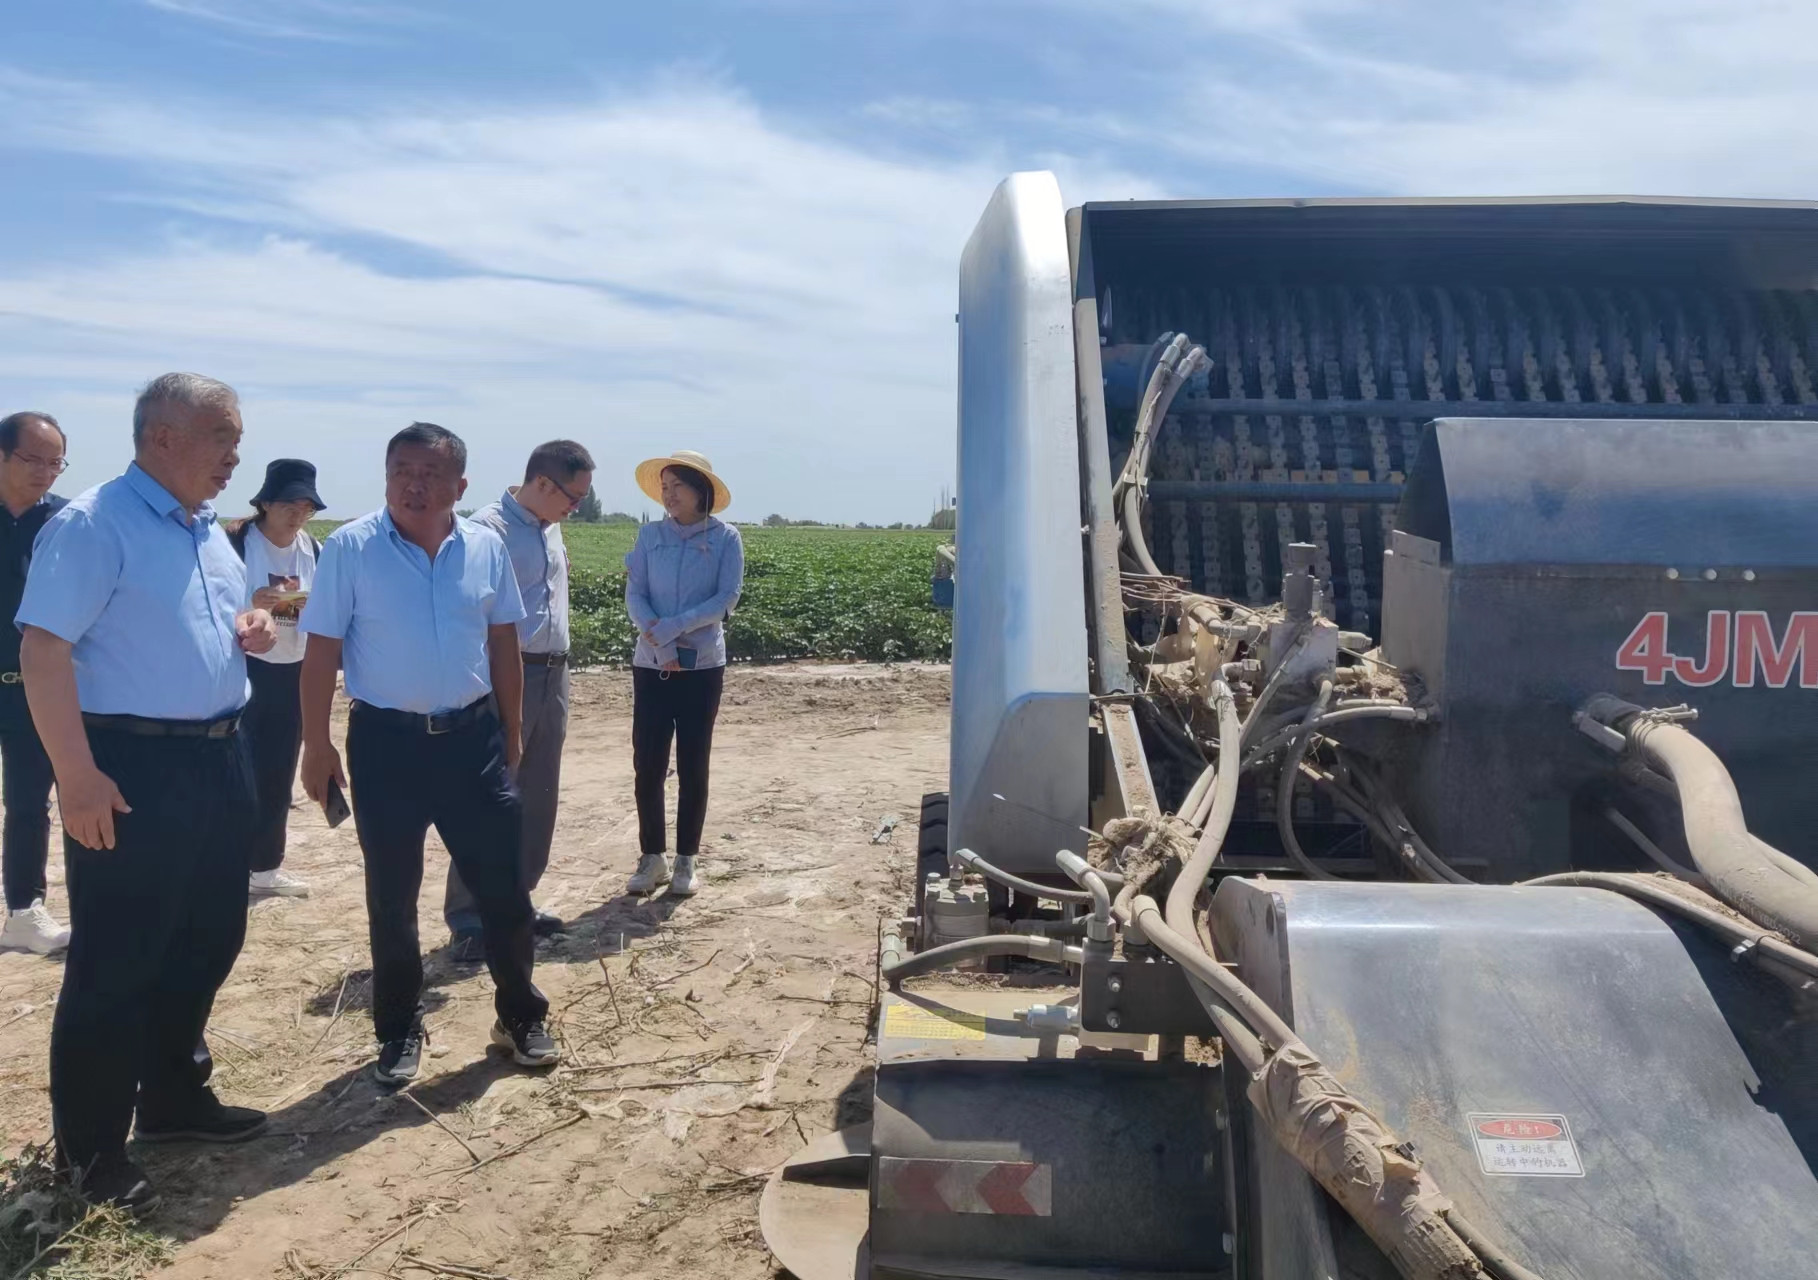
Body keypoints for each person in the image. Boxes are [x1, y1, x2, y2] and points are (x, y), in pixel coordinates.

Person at [18, 373, 278, 1214]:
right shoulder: (96, 524)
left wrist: (249, 626)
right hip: (131, 767)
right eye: (221, 436)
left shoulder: (204, 529)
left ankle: (171, 1099)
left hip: (220, 758)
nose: (235, 455)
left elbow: (198, 627)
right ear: (164, 436)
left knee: (209, 937)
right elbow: (43, 651)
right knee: (117, 959)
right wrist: (76, 775)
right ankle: (89, 1152)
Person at [298, 422, 557, 1087]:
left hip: (472, 741)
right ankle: (398, 1028)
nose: (413, 486)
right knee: (392, 896)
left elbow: (503, 641)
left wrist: (512, 729)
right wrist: (316, 743)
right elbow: (321, 649)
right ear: (386, 477)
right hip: (386, 745)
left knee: (503, 888)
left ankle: (520, 1015)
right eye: (401, 472)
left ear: (459, 486)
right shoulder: (351, 548)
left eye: (430, 474)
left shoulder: (485, 548)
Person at [444, 440, 593, 948]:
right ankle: (467, 917)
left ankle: (515, 902)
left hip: (554, 673)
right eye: (573, 497)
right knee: (488, 794)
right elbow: (468, 614)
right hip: (506, 675)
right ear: (543, 483)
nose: (577, 508)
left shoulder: (550, 527)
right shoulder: (487, 531)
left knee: (538, 793)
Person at [623, 450, 743, 898]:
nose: (669, 495)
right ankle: (651, 856)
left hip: (703, 665)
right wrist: (662, 643)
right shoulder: (649, 535)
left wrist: (675, 627)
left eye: (678, 486)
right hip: (651, 662)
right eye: (665, 487)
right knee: (648, 762)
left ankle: (686, 859)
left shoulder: (726, 538)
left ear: (701, 490)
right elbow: (635, 595)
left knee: (694, 763)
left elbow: (725, 599)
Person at [226, 459, 326, 899]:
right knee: (235, 769)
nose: (298, 515)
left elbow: (325, 608)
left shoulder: (313, 549)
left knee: (278, 772)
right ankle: (225, 863)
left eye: (306, 507)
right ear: (265, 503)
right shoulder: (233, 544)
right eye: (289, 505)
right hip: (243, 668)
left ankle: (265, 867)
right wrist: (250, 602)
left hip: (294, 671)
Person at [0, 412, 71, 954]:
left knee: (29, 802)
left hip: (31, 688)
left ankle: (24, 910)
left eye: (56, 462)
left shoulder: (68, 524)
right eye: (33, 459)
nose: (46, 471)